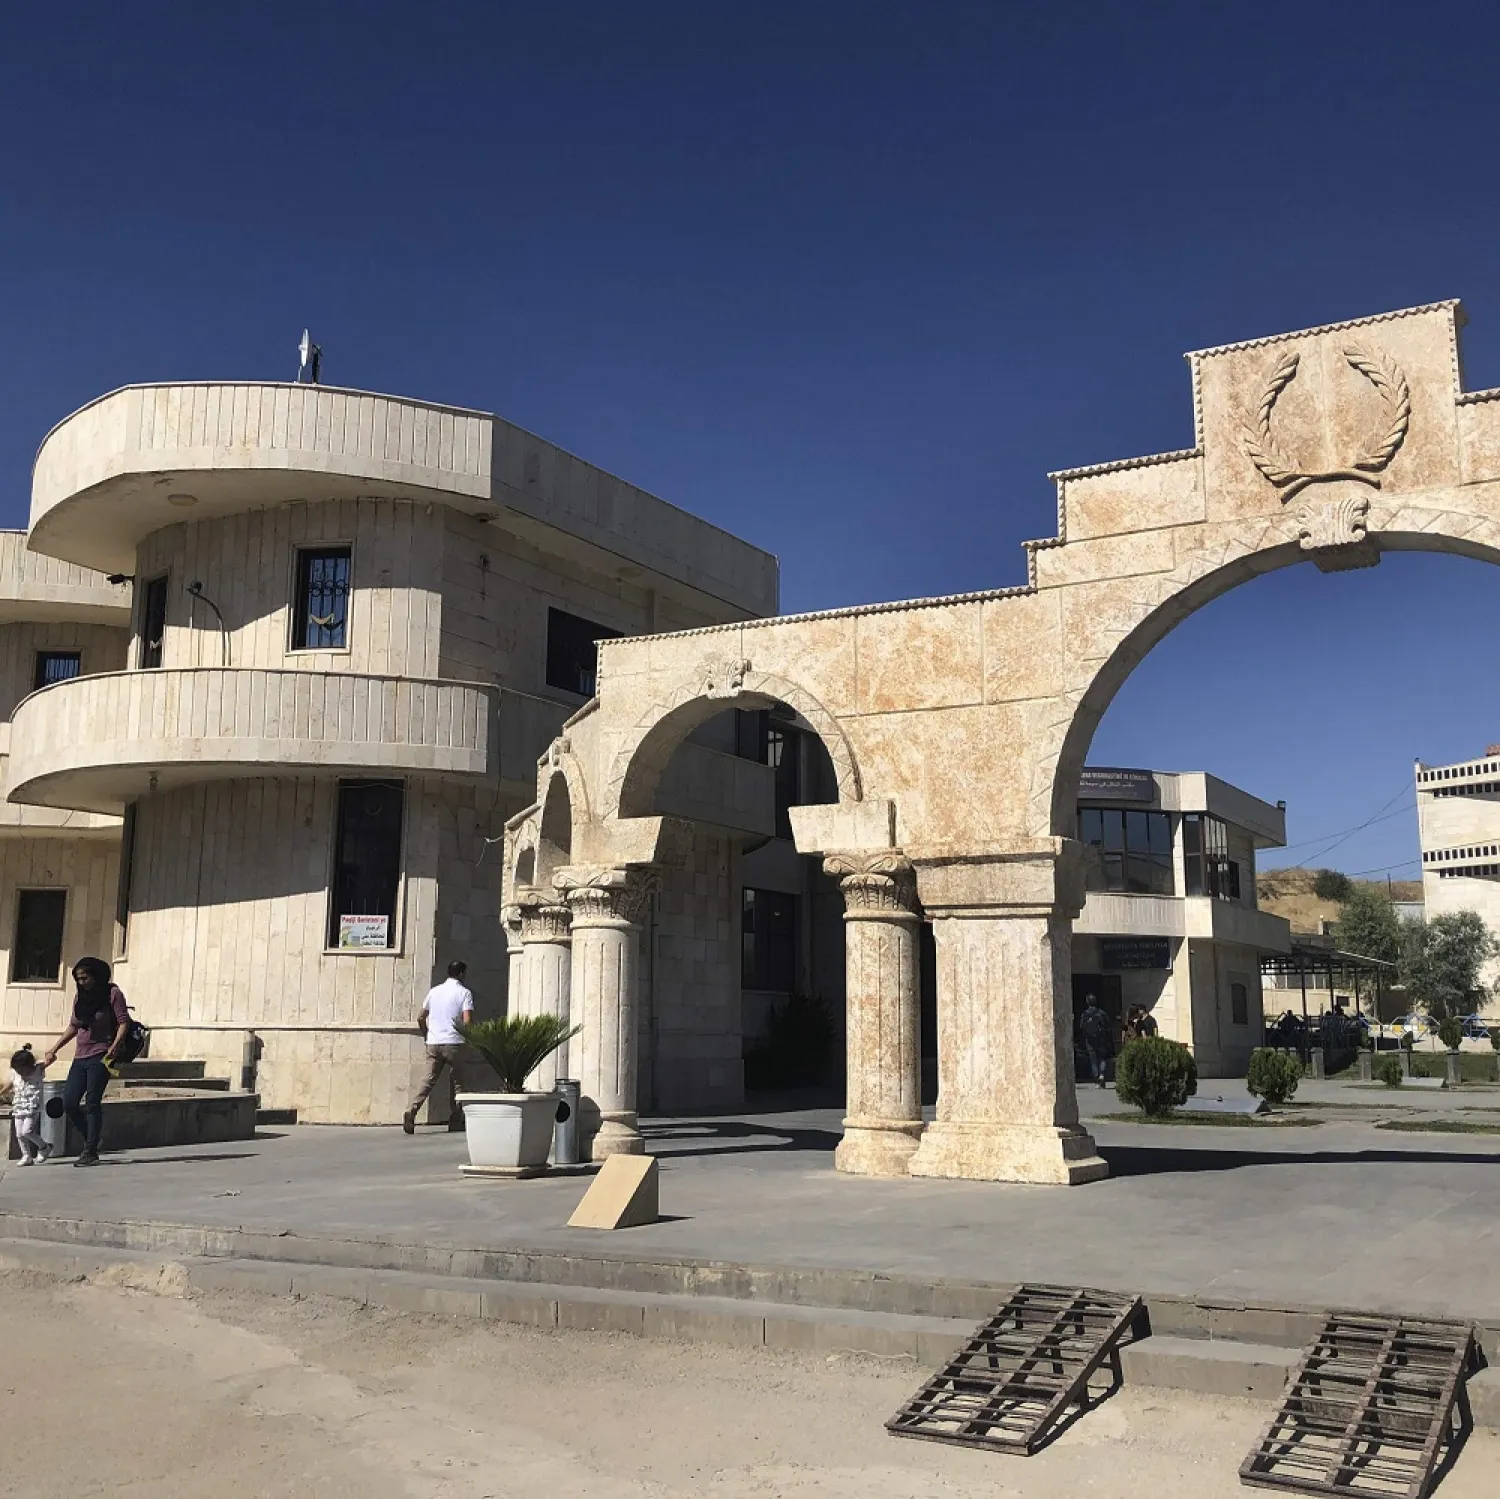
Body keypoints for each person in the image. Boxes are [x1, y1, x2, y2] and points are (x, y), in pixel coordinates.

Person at [43, 957, 131, 1167]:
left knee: (92, 1101)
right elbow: (74, 1026)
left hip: (102, 1054)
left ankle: (90, 1151)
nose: (82, 982)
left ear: (97, 975)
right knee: (70, 1102)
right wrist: (54, 1048)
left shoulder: (112, 994)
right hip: (80, 1055)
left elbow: (123, 1021)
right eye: (78, 979)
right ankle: (93, 1139)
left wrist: (115, 1045)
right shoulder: (80, 998)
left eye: (85, 978)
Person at [403, 960, 474, 1134]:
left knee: (428, 1080)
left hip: (434, 1042)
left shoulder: (434, 992)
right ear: (462, 974)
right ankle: (456, 1119)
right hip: (454, 1042)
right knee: (458, 1083)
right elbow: (467, 1021)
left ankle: (412, 1110)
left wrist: (426, 1034)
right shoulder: (464, 993)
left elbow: (421, 1017)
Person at [8, 1045, 53, 1166]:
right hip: (19, 1106)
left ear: (29, 1066)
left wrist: (51, 1053)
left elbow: (51, 1060)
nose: (19, 1072)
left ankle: (44, 1147)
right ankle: (26, 1155)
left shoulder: (38, 1070)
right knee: (19, 1133)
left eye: (21, 1069)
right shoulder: (15, 1074)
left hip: (32, 1106)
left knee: (27, 1131)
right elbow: (10, 1085)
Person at [1078, 995, 1113, 1088]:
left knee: (1093, 1060)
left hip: (1089, 1041)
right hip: (1102, 1040)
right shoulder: (1101, 1013)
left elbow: (1082, 1027)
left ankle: (1097, 1079)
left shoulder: (1085, 1014)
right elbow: (1108, 1025)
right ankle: (1102, 1075)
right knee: (1102, 1058)